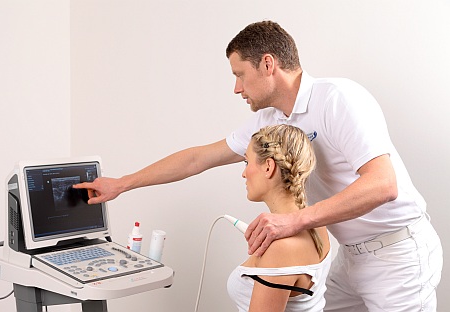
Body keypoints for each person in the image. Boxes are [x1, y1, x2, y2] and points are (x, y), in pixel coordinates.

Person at [74, 21, 443, 311]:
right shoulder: (269, 118)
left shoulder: (338, 100)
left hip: (397, 253)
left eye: (239, 74)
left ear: (268, 64)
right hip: (349, 255)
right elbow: (199, 157)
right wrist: (123, 183)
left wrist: (296, 219)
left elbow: (383, 185)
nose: (236, 88)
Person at [227, 124, 331, 312]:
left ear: (268, 167)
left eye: (246, 162)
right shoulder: (317, 226)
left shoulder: (281, 249)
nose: (243, 173)